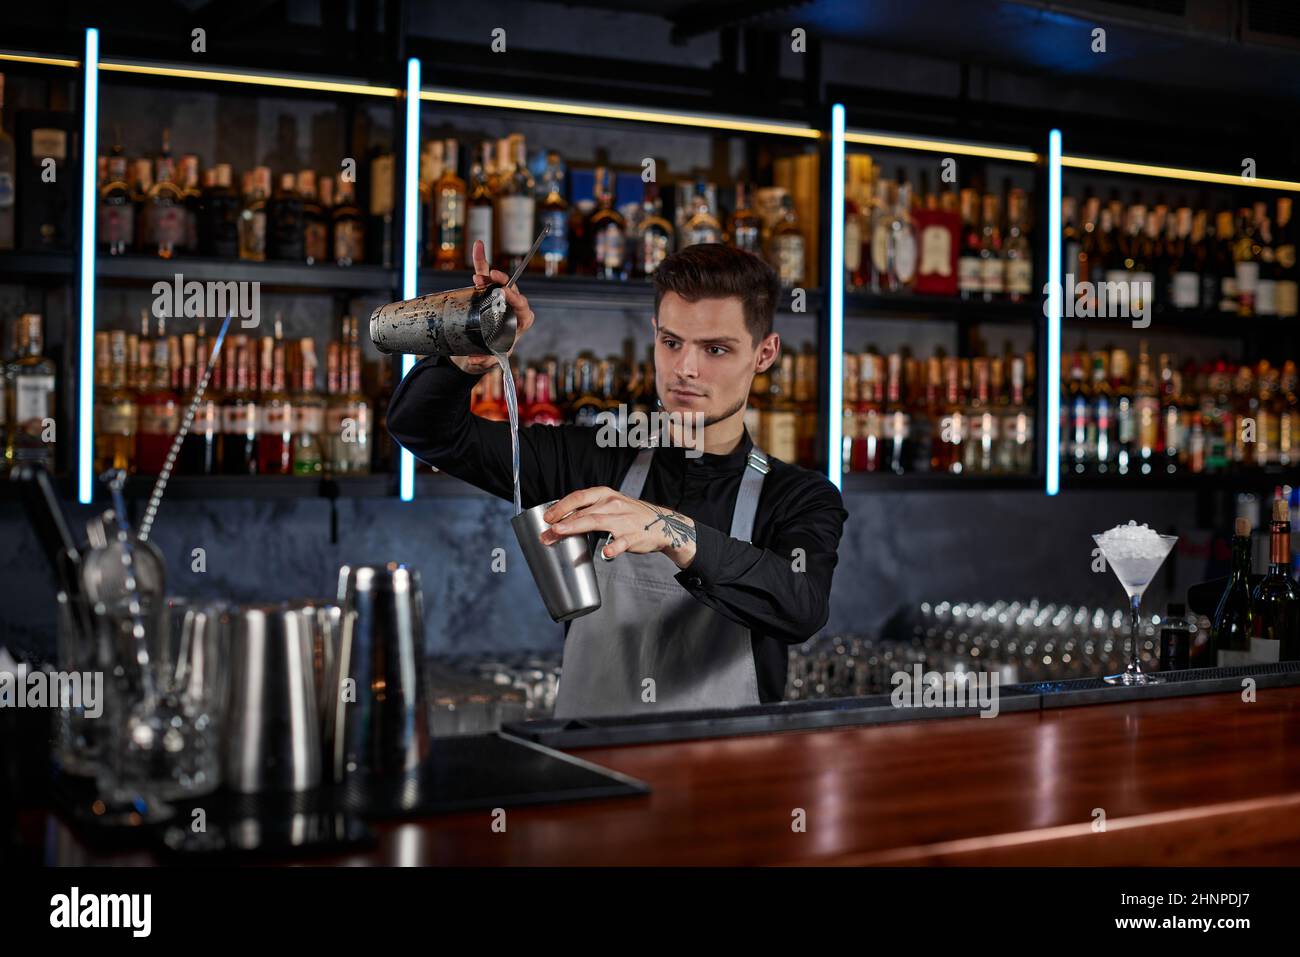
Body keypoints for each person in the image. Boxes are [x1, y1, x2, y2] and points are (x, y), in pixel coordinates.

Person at [387, 240, 847, 719]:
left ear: (764, 353)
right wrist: (469, 348)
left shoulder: (799, 496)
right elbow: (424, 430)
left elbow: (802, 607)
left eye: (716, 349)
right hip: (592, 773)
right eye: (672, 342)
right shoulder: (591, 459)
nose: (686, 369)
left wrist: (671, 530)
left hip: (726, 781)